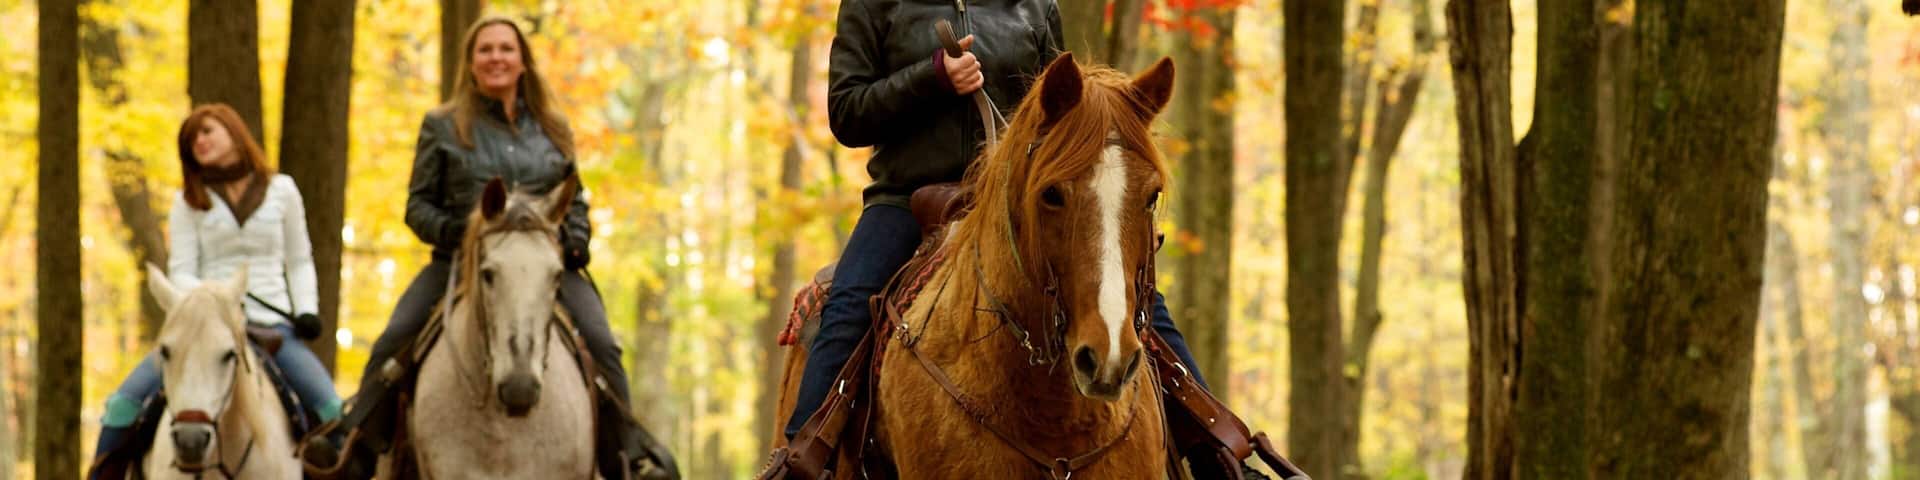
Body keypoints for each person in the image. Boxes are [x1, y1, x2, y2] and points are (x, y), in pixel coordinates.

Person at [783, 0, 1213, 442]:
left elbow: (1064, 114)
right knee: (850, 304)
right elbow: (847, 113)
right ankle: (802, 457)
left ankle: (1220, 455)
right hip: (905, 199)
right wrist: (932, 77)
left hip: (1019, 202)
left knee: (1136, 300)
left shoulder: (1034, 5)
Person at [303, 16, 666, 479]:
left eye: (506, 49)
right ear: (471, 64)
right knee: (395, 339)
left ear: (522, 62)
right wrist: (462, 235)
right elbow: (418, 206)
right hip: (463, 260)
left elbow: (574, 199)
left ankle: (630, 457)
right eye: (486, 50)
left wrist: (574, 241)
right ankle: (357, 450)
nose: (496, 57)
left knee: (602, 343)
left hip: (545, 264)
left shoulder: (553, 127)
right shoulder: (441, 126)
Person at [90, 103, 341, 476]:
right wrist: (215, 299)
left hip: (273, 324)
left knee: (331, 410)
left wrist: (306, 309)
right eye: (191, 140)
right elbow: (181, 270)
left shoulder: (282, 190)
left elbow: (299, 259)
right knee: (121, 407)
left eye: (207, 131)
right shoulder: (187, 200)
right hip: (203, 324)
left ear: (232, 130)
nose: (199, 142)